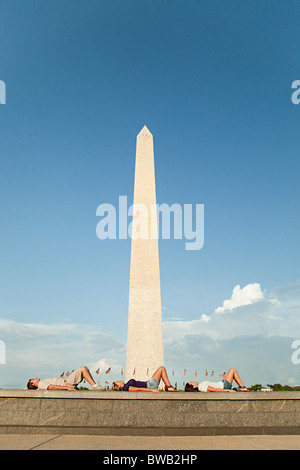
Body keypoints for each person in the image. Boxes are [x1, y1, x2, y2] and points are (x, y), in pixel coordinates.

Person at [27, 366, 104, 391]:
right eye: (33, 379)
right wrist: (67, 387)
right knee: (83, 368)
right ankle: (94, 386)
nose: (35, 377)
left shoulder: (41, 384)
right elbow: (51, 387)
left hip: (66, 382)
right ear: (33, 384)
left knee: (85, 369)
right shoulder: (40, 384)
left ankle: (94, 386)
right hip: (67, 383)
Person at [112, 366, 177, 392]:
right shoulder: (126, 387)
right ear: (119, 386)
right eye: (118, 382)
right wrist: (151, 390)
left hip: (149, 384)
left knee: (161, 369)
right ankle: (169, 387)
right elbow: (138, 389)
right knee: (161, 369)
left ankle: (168, 387)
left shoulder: (126, 386)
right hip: (149, 385)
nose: (119, 380)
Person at [185, 367, 250, 393]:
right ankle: (242, 387)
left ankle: (241, 387)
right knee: (233, 370)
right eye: (191, 383)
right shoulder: (201, 387)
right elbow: (215, 390)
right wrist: (228, 390)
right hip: (224, 386)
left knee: (230, 371)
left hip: (222, 383)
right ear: (192, 386)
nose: (193, 381)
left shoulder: (200, 387)